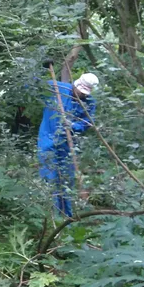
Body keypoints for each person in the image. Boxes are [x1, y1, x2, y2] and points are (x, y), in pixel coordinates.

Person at [37, 70, 99, 218]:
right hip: (48, 140)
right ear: (76, 84)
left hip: (68, 146)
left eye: (85, 93)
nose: (82, 95)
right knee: (49, 178)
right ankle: (52, 217)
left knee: (66, 180)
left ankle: (67, 217)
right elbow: (34, 84)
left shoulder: (89, 102)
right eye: (81, 91)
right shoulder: (57, 88)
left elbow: (87, 124)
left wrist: (72, 126)